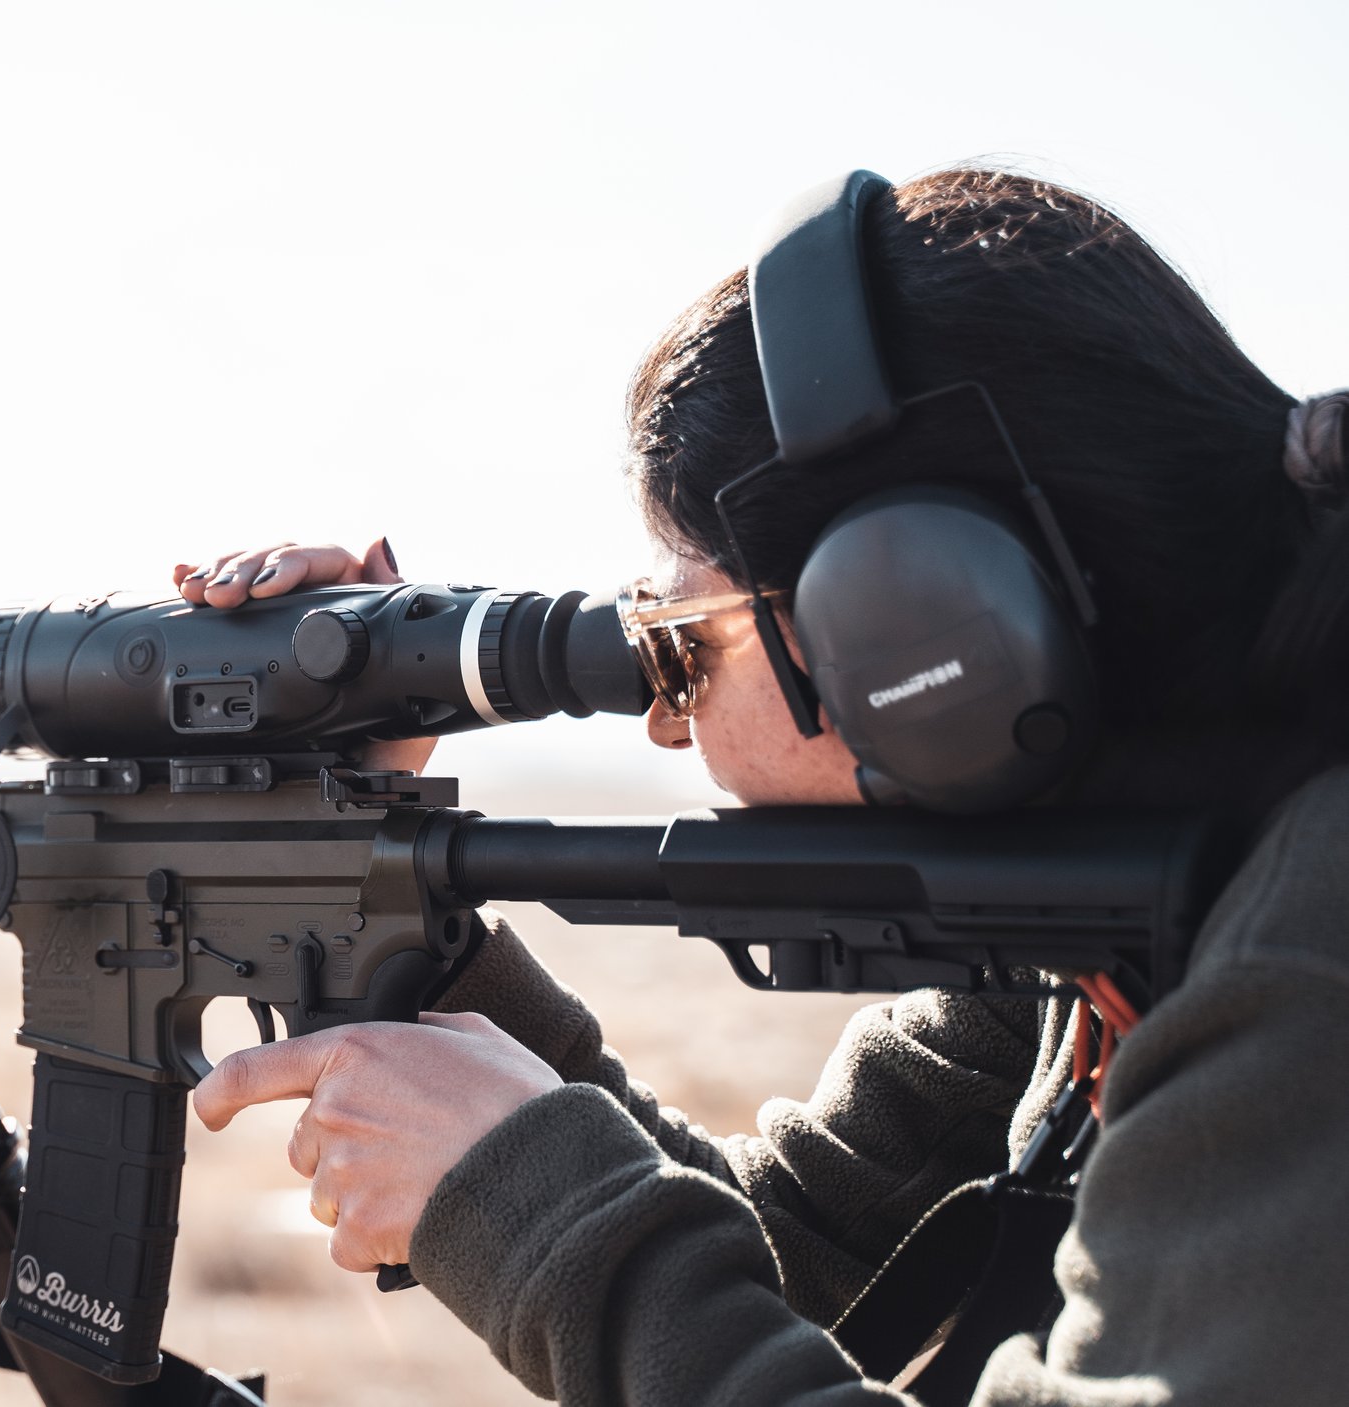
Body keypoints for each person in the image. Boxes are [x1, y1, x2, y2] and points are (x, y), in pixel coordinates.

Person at [178, 167, 1349, 1404]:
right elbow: (804, 1259)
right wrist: (390, 927)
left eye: (683, 650)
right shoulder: (1144, 888)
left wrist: (538, 1213)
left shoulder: (1303, 968)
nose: (667, 733)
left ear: (921, 635)